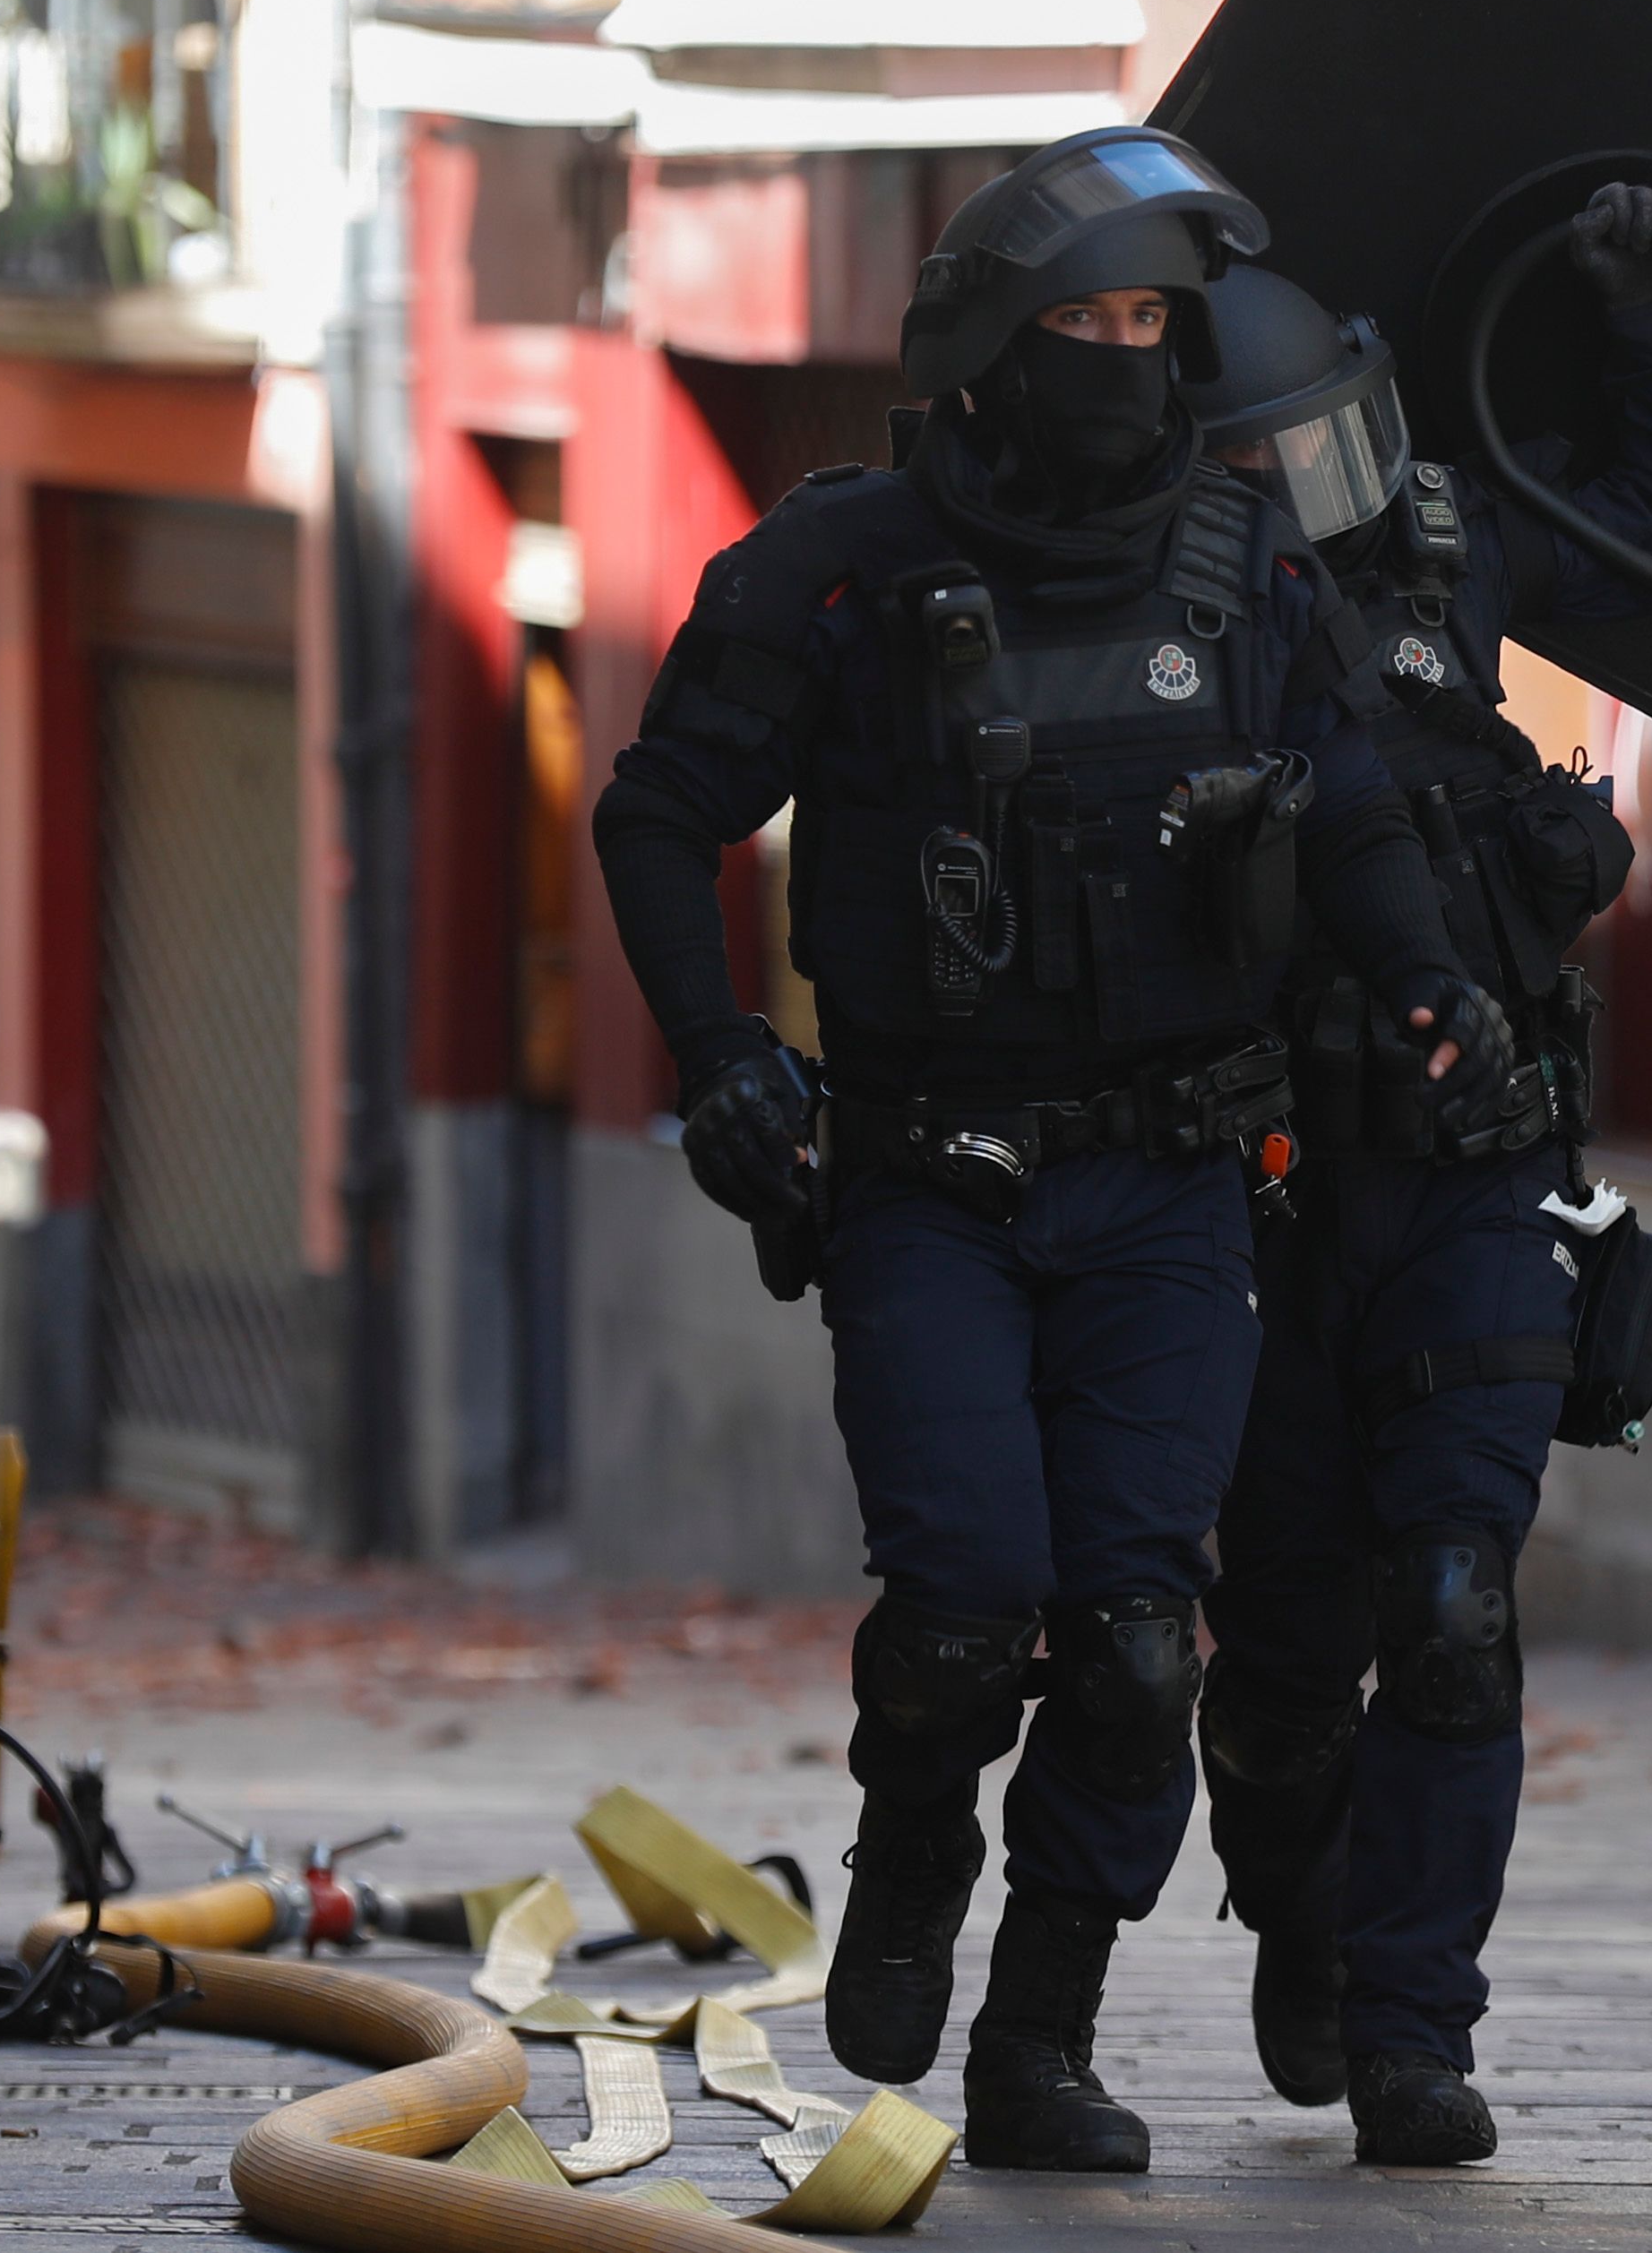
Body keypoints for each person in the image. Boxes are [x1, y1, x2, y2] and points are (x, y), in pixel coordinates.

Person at [589, 128, 1515, 2178]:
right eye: (1082, 317)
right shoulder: (837, 568)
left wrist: (1432, 979)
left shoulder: (1240, 560)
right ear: (990, 339)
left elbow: (1349, 803)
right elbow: (657, 815)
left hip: (1174, 1182)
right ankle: (912, 1831)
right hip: (926, 1173)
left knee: (1130, 1639)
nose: (1117, 353)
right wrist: (728, 1053)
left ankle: (1042, 2033)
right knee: (960, 1601)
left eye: (1142, 322)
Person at [1188, 182, 1652, 2164]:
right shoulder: (1150, 622)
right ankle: (1300, 1906)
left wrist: (1650, 315)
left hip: (1475, 1177)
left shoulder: (1445, 557)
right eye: (1266, 464)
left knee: (1450, 1599)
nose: (1313, 496)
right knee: (1270, 1659)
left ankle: (1413, 2020)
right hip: (1254, 1202)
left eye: (1330, 447)